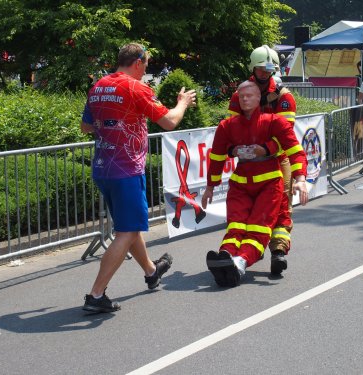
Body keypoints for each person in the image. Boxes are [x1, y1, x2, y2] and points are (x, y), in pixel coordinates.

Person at [80, 43, 196, 313]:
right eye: (146, 65)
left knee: (127, 226)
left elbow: (86, 126)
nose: (146, 71)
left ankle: (151, 271)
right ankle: (96, 295)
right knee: (128, 230)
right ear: (137, 62)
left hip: (102, 166)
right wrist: (183, 103)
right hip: (126, 169)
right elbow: (168, 121)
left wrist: (110, 124)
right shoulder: (135, 87)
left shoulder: (98, 86)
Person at [201, 81, 308, 287]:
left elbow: (294, 150)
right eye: (241, 97)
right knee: (235, 226)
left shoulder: (274, 121)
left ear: (259, 98)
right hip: (240, 183)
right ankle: (226, 256)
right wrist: (210, 187)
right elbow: (216, 157)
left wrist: (300, 179)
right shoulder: (227, 126)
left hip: (269, 184)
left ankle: (240, 263)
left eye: (250, 95)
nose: (245, 99)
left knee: (259, 228)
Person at [228, 45, 298, 275]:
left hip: (277, 159)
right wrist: (237, 149)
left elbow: (286, 135)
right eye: (261, 70)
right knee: (245, 207)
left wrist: (266, 149)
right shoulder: (240, 95)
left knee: (281, 202)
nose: (265, 74)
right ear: (253, 68)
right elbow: (232, 128)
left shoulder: (283, 96)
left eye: (269, 70)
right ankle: (240, 249)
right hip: (248, 161)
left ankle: (278, 251)